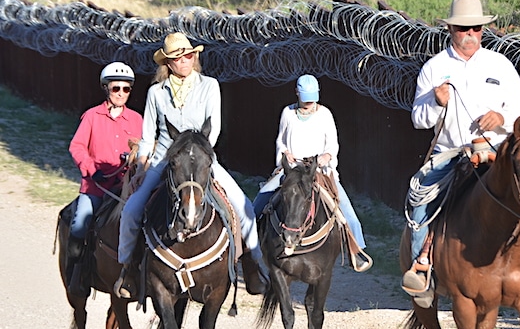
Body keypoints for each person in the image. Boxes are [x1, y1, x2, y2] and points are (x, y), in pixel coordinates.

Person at [402, 0, 520, 305]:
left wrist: (502, 118)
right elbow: (418, 119)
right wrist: (435, 101)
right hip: (452, 152)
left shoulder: (500, 65)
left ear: (482, 30)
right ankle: (423, 266)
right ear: (450, 30)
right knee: (420, 202)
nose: (469, 34)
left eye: (475, 28)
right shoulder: (434, 68)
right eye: (462, 28)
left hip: (498, 152)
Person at [113, 32, 267, 299]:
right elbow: (149, 136)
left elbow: (214, 128)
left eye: (188, 55)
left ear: (194, 58)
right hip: (165, 159)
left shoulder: (210, 86)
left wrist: (200, 155)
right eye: (177, 58)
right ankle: (128, 269)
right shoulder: (156, 93)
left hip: (202, 158)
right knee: (132, 210)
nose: (184, 61)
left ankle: (254, 267)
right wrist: (140, 168)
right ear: (168, 63)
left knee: (244, 208)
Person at [253, 74, 372, 272]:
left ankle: (356, 250)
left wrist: (326, 157)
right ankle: (250, 247)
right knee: (260, 201)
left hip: (318, 171)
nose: (309, 102)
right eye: (305, 97)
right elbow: (281, 141)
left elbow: (332, 144)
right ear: (297, 93)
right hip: (291, 170)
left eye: (312, 98)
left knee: (345, 210)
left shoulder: (325, 114)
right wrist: (285, 153)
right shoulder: (288, 113)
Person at [67, 62, 143, 297]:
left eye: (126, 89)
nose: (120, 93)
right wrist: (91, 169)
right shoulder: (92, 116)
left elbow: (145, 150)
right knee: (80, 224)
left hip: (127, 187)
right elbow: (76, 146)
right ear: (106, 88)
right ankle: (77, 274)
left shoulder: (137, 120)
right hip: (96, 186)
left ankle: (147, 274)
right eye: (116, 88)